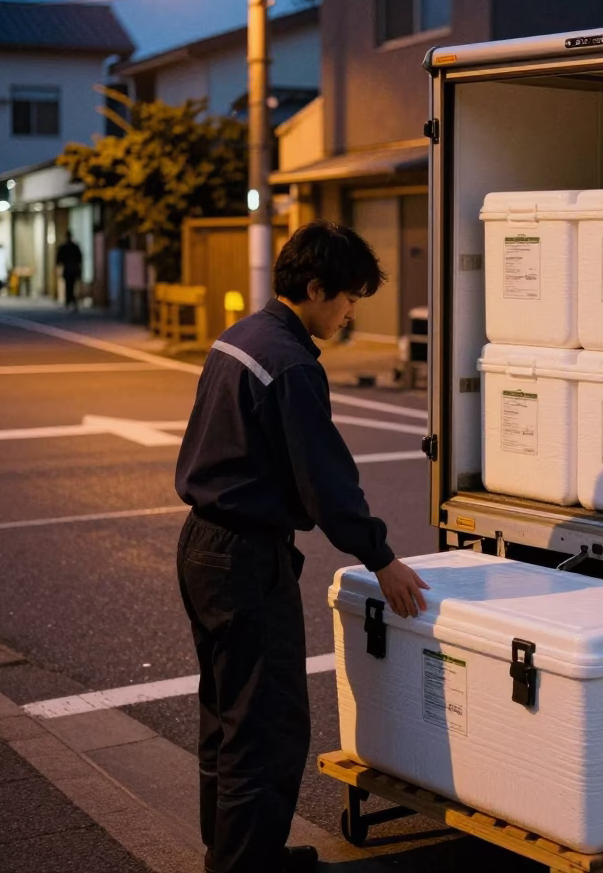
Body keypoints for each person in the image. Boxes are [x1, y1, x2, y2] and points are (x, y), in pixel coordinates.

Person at [174, 220, 429, 873]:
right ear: (313, 288)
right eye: (346, 300)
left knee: (228, 720)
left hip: (202, 546)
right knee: (265, 728)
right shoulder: (289, 364)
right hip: (243, 558)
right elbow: (326, 482)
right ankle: (245, 865)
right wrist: (381, 556)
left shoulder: (240, 340)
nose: (348, 314)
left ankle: (236, 855)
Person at [55, 230, 82, 310]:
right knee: (72, 286)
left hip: (68, 269)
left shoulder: (64, 247)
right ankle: (71, 301)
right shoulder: (75, 247)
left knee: (68, 286)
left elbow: (59, 259)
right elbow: (80, 259)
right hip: (73, 269)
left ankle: (69, 301)